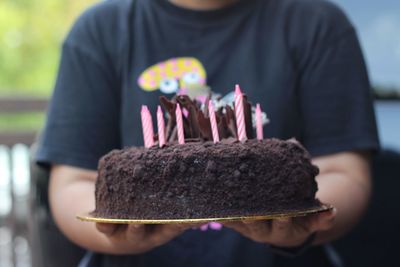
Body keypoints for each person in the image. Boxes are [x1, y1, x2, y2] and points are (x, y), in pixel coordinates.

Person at [36, 0, 379, 266]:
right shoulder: (100, 31)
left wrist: (304, 222)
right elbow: (73, 181)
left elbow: (343, 169)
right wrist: (116, 232)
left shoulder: (317, 25)